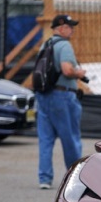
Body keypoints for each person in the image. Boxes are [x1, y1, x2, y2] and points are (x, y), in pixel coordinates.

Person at [36, 14, 87, 189]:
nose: (72, 29)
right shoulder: (65, 45)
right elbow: (66, 70)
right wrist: (79, 73)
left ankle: (44, 178)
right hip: (62, 97)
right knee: (71, 138)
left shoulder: (45, 44)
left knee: (46, 139)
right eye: (70, 26)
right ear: (62, 28)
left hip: (43, 96)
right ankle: (74, 179)